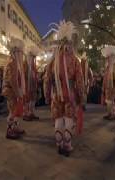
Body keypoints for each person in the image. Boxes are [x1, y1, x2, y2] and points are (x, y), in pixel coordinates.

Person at [44, 21, 84, 156]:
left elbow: (46, 79)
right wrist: (82, 98)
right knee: (68, 119)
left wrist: (47, 95)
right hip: (71, 94)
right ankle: (67, 144)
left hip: (56, 94)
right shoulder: (75, 60)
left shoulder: (52, 61)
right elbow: (79, 81)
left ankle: (59, 143)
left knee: (58, 118)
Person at [2, 38, 26, 139]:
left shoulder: (12, 62)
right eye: (21, 53)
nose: (22, 55)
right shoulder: (13, 63)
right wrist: (18, 92)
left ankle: (15, 127)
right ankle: (10, 130)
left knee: (15, 111)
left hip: (10, 91)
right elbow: (13, 81)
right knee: (12, 111)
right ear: (17, 52)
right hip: (11, 91)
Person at [23, 46, 40, 121]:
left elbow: (34, 74)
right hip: (27, 85)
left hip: (33, 85)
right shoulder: (25, 65)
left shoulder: (33, 65)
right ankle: (26, 114)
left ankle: (31, 113)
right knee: (27, 99)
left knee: (33, 99)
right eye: (32, 57)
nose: (33, 59)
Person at [101, 46, 115, 120]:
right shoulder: (109, 67)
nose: (107, 59)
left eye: (108, 57)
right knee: (109, 100)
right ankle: (110, 114)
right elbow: (106, 77)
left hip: (111, 85)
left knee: (110, 100)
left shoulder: (113, 66)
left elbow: (113, 77)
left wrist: (111, 85)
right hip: (109, 85)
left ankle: (112, 114)